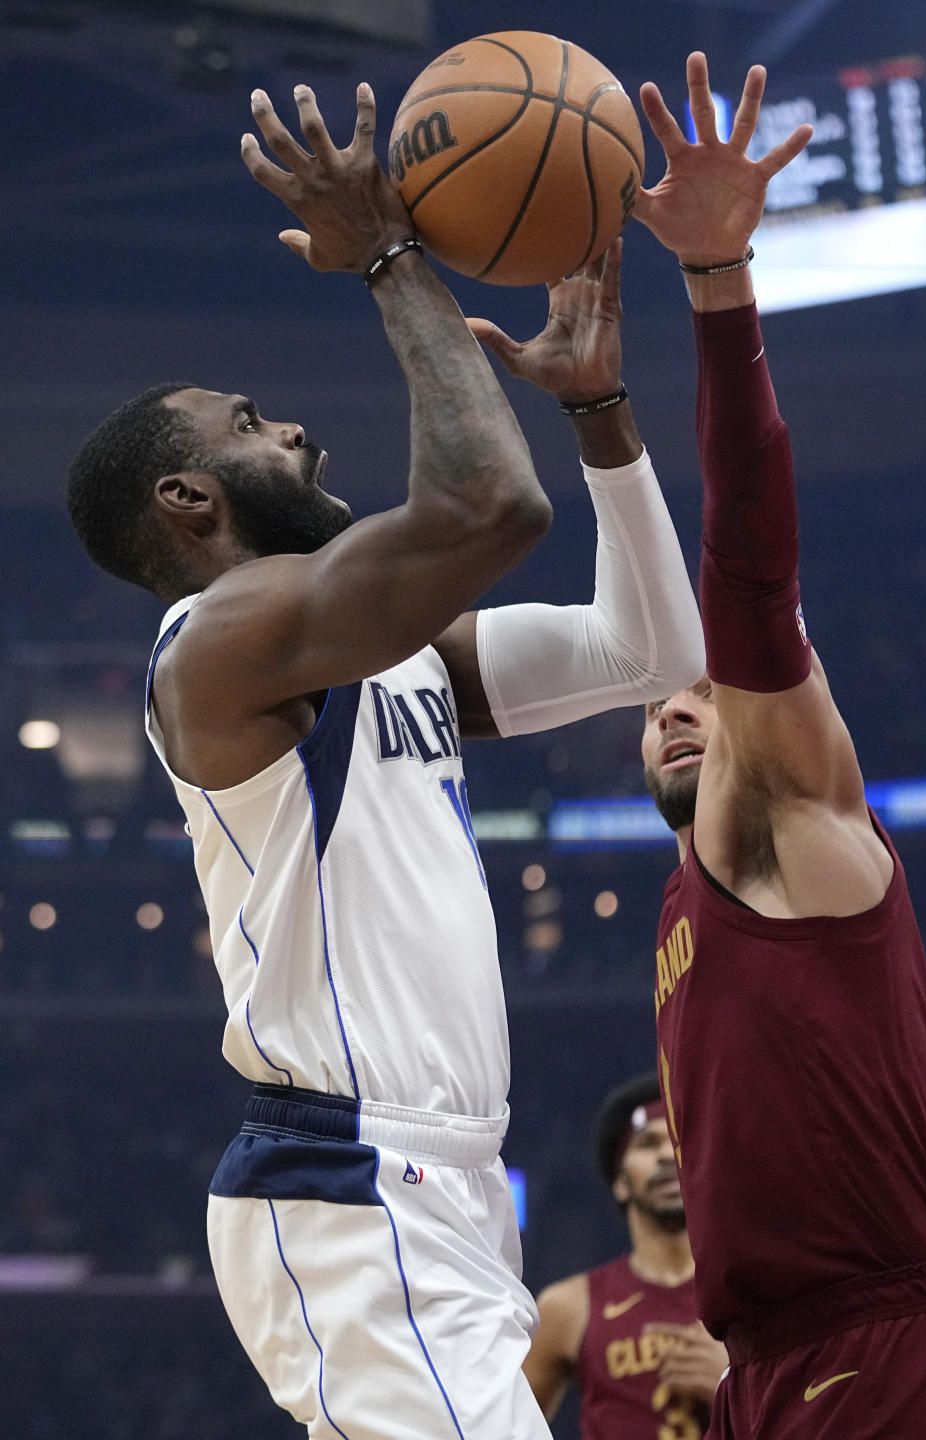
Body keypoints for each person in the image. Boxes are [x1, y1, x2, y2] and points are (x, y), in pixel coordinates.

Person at [65, 81, 705, 1440]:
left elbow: (648, 651)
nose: (297, 429)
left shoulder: (392, 647)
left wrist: (604, 414)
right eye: (250, 422)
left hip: (446, 1189)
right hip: (347, 1178)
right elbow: (488, 503)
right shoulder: (217, 642)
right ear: (189, 501)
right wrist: (384, 253)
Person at [634, 53, 926, 1438]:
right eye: (657, 703)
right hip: (776, 1366)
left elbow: (750, 564)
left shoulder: (789, 815)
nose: (670, 701)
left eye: (706, 690)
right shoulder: (685, 903)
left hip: (890, 1341)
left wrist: (718, 289)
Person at [522, 1072, 727, 1439]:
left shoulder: (752, 1294)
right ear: (620, 1182)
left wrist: (733, 1386)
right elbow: (503, 1428)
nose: (667, 1155)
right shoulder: (569, 1307)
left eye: (678, 1143)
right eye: (648, 1143)